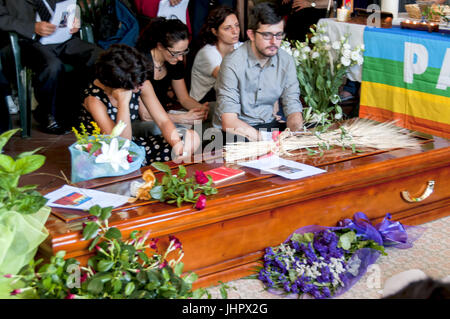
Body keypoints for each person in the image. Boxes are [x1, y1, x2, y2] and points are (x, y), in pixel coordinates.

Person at [79, 44, 199, 164]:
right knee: (126, 159)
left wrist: (178, 147)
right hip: (107, 154)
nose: (140, 87)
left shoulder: (139, 83)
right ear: (118, 86)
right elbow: (121, 144)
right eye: (136, 86)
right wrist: (123, 102)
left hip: (133, 145)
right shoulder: (94, 100)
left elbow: (163, 121)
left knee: (190, 137)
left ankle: (165, 166)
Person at [0, 0, 102, 134]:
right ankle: (48, 114)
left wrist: (75, 18)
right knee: (52, 66)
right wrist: (32, 27)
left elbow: (70, 5)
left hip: (61, 38)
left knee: (99, 57)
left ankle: (79, 110)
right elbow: (2, 19)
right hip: (26, 41)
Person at [215, 2, 303, 142]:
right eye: (267, 35)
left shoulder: (286, 61)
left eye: (279, 35)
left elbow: (293, 107)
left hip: (268, 126)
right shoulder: (233, 63)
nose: (274, 42)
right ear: (251, 34)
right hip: (238, 130)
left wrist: (296, 135)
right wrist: (267, 141)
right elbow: (229, 121)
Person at [136, 17, 209, 135]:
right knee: (160, 129)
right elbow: (145, 115)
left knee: (210, 114)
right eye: (175, 53)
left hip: (164, 113)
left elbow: (184, 98)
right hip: (141, 119)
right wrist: (181, 118)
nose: (180, 58)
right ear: (160, 46)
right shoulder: (140, 64)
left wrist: (200, 109)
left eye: (184, 52)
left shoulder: (174, 62)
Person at [190, 5, 241, 105]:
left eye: (237, 25)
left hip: (226, 100)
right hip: (202, 105)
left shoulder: (241, 47)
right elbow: (228, 80)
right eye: (227, 28)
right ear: (215, 31)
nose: (235, 31)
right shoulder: (207, 53)